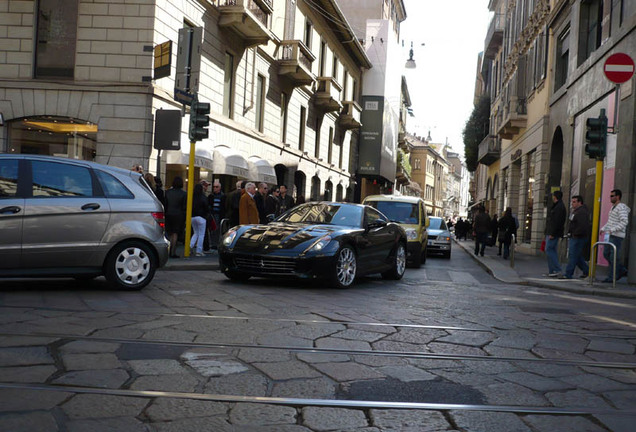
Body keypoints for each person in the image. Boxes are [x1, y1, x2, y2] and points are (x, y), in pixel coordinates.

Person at [600, 189, 631, 282]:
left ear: (618, 197)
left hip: (616, 236)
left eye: (612, 196)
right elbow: (611, 222)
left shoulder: (621, 207)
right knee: (607, 254)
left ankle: (612, 276)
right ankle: (620, 270)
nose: (610, 197)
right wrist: (603, 228)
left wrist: (612, 230)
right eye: (610, 196)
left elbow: (624, 221)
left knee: (613, 256)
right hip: (610, 234)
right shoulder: (613, 207)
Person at [560, 195, 590, 279]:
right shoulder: (576, 211)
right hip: (576, 236)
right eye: (572, 202)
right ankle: (587, 271)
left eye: (574, 202)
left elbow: (582, 226)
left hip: (578, 237)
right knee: (577, 256)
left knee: (573, 255)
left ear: (579, 202)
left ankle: (568, 273)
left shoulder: (581, 212)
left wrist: (574, 233)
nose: (572, 204)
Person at [545, 190, 566, 277]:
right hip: (551, 231)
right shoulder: (558, 206)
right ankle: (552, 271)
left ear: (555, 197)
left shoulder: (559, 207)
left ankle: (557, 269)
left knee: (549, 249)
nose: (552, 197)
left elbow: (557, 222)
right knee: (551, 250)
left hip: (553, 232)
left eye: (553, 196)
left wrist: (552, 233)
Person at [164, 176, 187, 258]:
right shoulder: (184, 194)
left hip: (168, 214)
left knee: (169, 233)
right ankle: (172, 252)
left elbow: (165, 204)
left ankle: (168, 250)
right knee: (175, 233)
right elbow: (184, 207)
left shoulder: (167, 192)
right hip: (178, 215)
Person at [190, 183, 208, 257]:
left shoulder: (192, 197)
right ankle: (199, 251)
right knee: (201, 234)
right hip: (201, 217)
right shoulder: (203, 197)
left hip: (192, 217)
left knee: (196, 233)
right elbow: (206, 207)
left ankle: (190, 247)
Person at [208, 180, 226, 249]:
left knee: (217, 229)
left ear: (220, 188)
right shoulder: (211, 196)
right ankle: (213, 243)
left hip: (219, 214)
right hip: (213, 214)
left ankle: (216, 243)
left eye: (216, 187)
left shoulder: (223, 196)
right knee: (212, 229)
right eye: (214, 187)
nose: (215, 188)